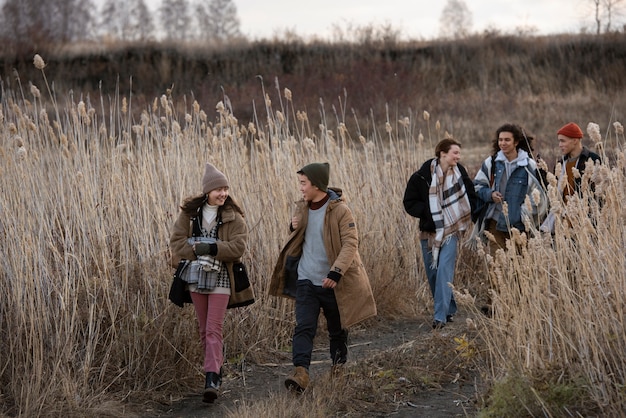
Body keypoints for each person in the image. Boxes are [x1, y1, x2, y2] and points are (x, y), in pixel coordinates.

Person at [269, 162, 377, 392]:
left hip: (331, 282)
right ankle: (301, 373)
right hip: (306, 279)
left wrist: (335, 272)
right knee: (304, 327)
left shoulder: (340, 210)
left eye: (303, 183)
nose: (300, 188)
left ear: (316, 184)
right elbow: (300, 236)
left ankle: (338, 367)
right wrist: (292, 226)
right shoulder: (303, 207)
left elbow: (351, 243)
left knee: (337, 329)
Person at [169, 163, 254, 404]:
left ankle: (211, 378)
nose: (223, 193)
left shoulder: (233, 217)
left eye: (226, 189)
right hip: (195, 279)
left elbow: (239, 248)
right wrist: (197, 252)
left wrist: (212, 248)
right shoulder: (190, 215)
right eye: (219, 189)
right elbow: (176, 242)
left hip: (222, 280)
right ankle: (215, 368)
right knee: (203, 329)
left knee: (214, 328)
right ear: (208, 190)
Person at [403, 137, 477, 329]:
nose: (458, 157)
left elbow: (469, 193)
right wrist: (429, 212)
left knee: (444, 270)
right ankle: (449, 308)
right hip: (429, 231)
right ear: (443, 154)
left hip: (451, 230)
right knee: (433, 274)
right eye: (455, 153)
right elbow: (409, 203)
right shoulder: (421, 176)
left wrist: (476, 213)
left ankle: (439, 317)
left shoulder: (459, 172)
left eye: (459, 153)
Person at [473, 123, 546, 255]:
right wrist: (490, 194)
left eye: (507, 140)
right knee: (498, 267)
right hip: (495, 223)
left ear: (516, 142)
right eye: (500, 140)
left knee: (520, 268)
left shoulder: (529, 165)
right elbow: (477, 186)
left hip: (520, 225)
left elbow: (538, 194)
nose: (503, 143)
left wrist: (523, 213)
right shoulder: (491, 163)